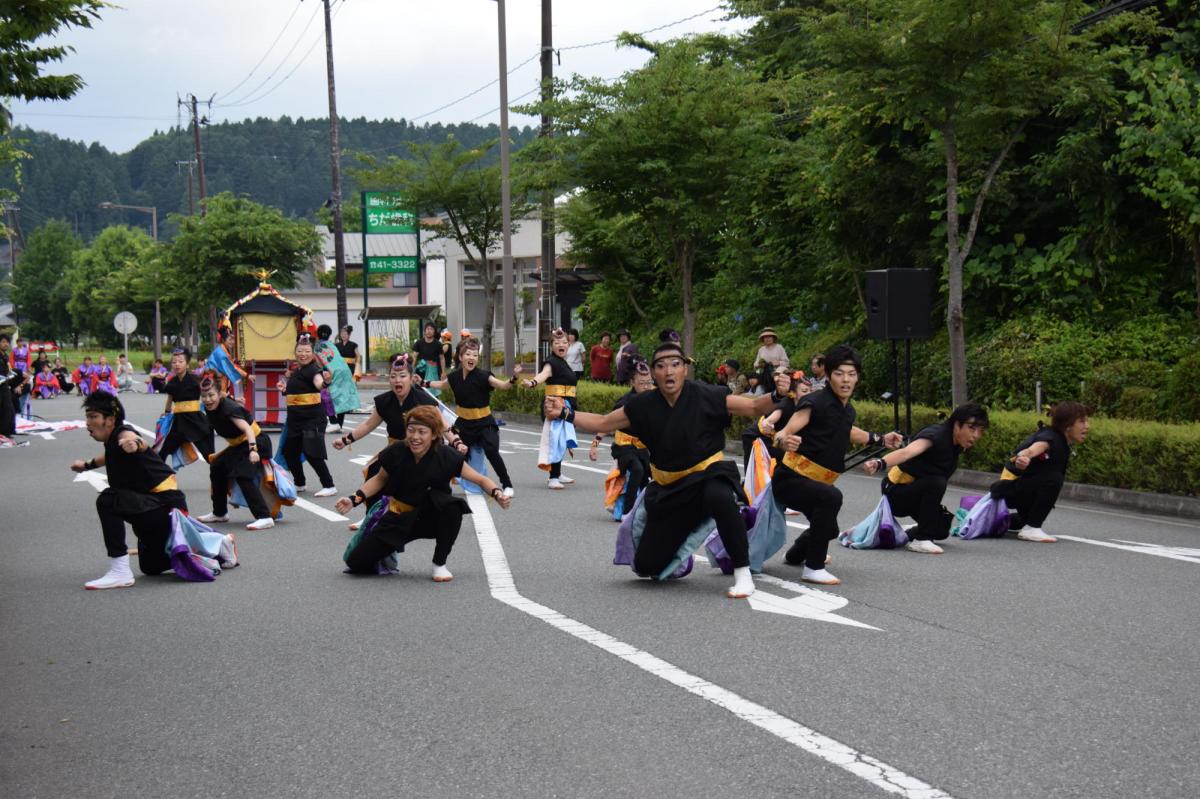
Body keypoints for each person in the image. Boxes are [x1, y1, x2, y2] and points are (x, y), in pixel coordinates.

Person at [549, 337, 780, 598]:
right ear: (654, 372)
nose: (668, 371)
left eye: (675, 364)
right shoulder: (642, 405)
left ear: (685, 368)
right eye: (661, 366)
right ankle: (683, 551)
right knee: (649, 567)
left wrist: (778, 394)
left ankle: (742, 571)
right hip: (670, 489)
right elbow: (603, 422)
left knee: (720, 496)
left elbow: (752, 406)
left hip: (708, 476)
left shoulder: (706, 395)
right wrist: (565, 413)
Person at [71, 391, 237, 590]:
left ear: (110, 420)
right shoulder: (113, 443)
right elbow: (108, 455)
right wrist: (87, 465)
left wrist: (136, 444)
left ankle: (120, 571)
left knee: (108, 500)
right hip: (153, 509)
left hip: (166, 507)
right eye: (87, 417)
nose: (87, 423)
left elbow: (136, 441)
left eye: (93, 417)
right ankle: (218, 546)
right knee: (151, 566)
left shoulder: (123, 433)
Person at [770, 345, 902, 585]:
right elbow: (782, 433)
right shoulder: (814, 402)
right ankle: (813, 568)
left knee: (828, 528)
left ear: (858, 377)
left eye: (851, 374)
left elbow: (848, 431)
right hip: (791, 479)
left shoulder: (846, 409)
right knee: (831, 497)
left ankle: (795, 556)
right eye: (839, 373)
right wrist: (783, 441)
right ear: (829, 375)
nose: (845, 380)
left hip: (817, 482)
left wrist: (881, 439)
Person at [336, 405, 512, 581]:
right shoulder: (396, 451)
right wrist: (354, 499)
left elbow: (480, 479)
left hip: (430, 517)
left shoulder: (446, 456)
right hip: (398, 516)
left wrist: (497, 493)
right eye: (411, 430)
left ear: (434, 434)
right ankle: (386, 552)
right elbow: (379, 479)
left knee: (453, 508)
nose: (415, 437)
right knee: (357, 562)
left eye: (422, 432)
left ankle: (439, 564)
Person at [862, 403, 990, 554]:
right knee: (937, 482)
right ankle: (921, 539)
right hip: (896, 493)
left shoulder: (957, 444)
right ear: (957, 424)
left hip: (916, 490)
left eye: (980, 431)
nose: (976, 435)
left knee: (941, 529)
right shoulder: (936, 435)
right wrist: (880, 463)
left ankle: (905, 532)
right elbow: (906, 453)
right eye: (972, 428)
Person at [427, 338, 521, 498]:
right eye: (468, 354)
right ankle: (437, 486)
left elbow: (503, 386)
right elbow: (442, 385)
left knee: (491, 450)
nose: (472, 358)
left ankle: (507, 484)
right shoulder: (455, 377)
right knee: (452, 453)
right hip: (463, 425)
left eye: (475, 355)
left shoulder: (484, 376)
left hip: (485, 423)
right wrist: (424, 383)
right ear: (461, 357)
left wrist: (513, 378)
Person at [988, 401, 1090, 543]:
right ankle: (1032, 528)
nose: (1087, 426)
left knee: (1019, 521)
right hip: (1008, 489)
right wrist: (1025, 457)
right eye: (1082, 421)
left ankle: (999, 521)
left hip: (1021, 489)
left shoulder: (1061, 439)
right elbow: (1036, 447)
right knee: (1054, 478)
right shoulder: (1051, 437)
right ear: (1068, 425)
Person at [197, 372, 277, 530]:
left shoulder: (228, 408)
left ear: (219, 394)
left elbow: (248, 429)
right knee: (217, 467)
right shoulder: (212, 405)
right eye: (204, 396)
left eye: (211, 395)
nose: (207, 399)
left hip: (255, 442)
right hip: (238, 445)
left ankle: (264, 517)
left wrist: (253, 451)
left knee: (243, 474)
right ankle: (220, 513)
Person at [589, 356, 654, 517]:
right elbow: (607, 423)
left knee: (648, 475)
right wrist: (595, 444)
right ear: (632, 383)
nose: (646, 387)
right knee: (637, 470)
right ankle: (627, 511)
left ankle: (646, 510)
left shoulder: (655, 398)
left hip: (642, 447)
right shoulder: (626, 402)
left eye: (649, 382)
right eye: (642, 383)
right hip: (624, 446)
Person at [277, 334, 337, 497]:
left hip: (312, 419)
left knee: (312, 452)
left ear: (312, 353)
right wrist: (284, 389)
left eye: (307, 351)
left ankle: (329, 485)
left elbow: (319, 384)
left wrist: (325, 382)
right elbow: (296, 390)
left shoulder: (313, 370)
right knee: (290, 452)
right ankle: (300, 482)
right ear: (295, 352)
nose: (303, 354)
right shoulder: (297, 371)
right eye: (300, 351)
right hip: (296, 420)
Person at [523, 329, 578, 489]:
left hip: (566, 404)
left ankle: (557, 473)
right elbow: (544, 374)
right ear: (551, 345)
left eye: (564, 343)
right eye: (557, 343)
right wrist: (532, 382)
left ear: (569, 344)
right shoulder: (551, 362)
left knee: (561, 439)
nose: (561, 345)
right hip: (554, 404)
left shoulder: (564, 362)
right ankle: (553, 477)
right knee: (556, 439)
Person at [158, 347, 213, 465]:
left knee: (209, 456)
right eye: (174, 362)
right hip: (179, 424)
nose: (177, 364)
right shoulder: (171, 382)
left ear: (187, 364)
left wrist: (228, 397)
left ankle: (222, 480)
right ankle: (158, 480)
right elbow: (170, 399)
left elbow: (212, 391)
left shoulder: (195, 380)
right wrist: (166, 413)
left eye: (180, 361)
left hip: (195, 422)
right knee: (163, 452)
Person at [315, 323, 361, 432]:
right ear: (330, 335)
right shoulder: (332, 345)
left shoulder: (317, 347)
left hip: (333, 372)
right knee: (342, 397)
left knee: (325, 396)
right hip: (345, 370)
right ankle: (339, 424)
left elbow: (320, 364)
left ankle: (334, 422)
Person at [413, 322, 445, 386]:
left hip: (433, 370)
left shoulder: (438, 344)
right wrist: (411, 370)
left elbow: (442, 359)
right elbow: (414, 357)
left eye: (431, 329)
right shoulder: (419, 343)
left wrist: (443, 372)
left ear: (434, 331)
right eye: (427, 329)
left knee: (433, 389)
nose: (429, 331)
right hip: (421, 369)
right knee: (420, 389)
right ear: (424, 331)